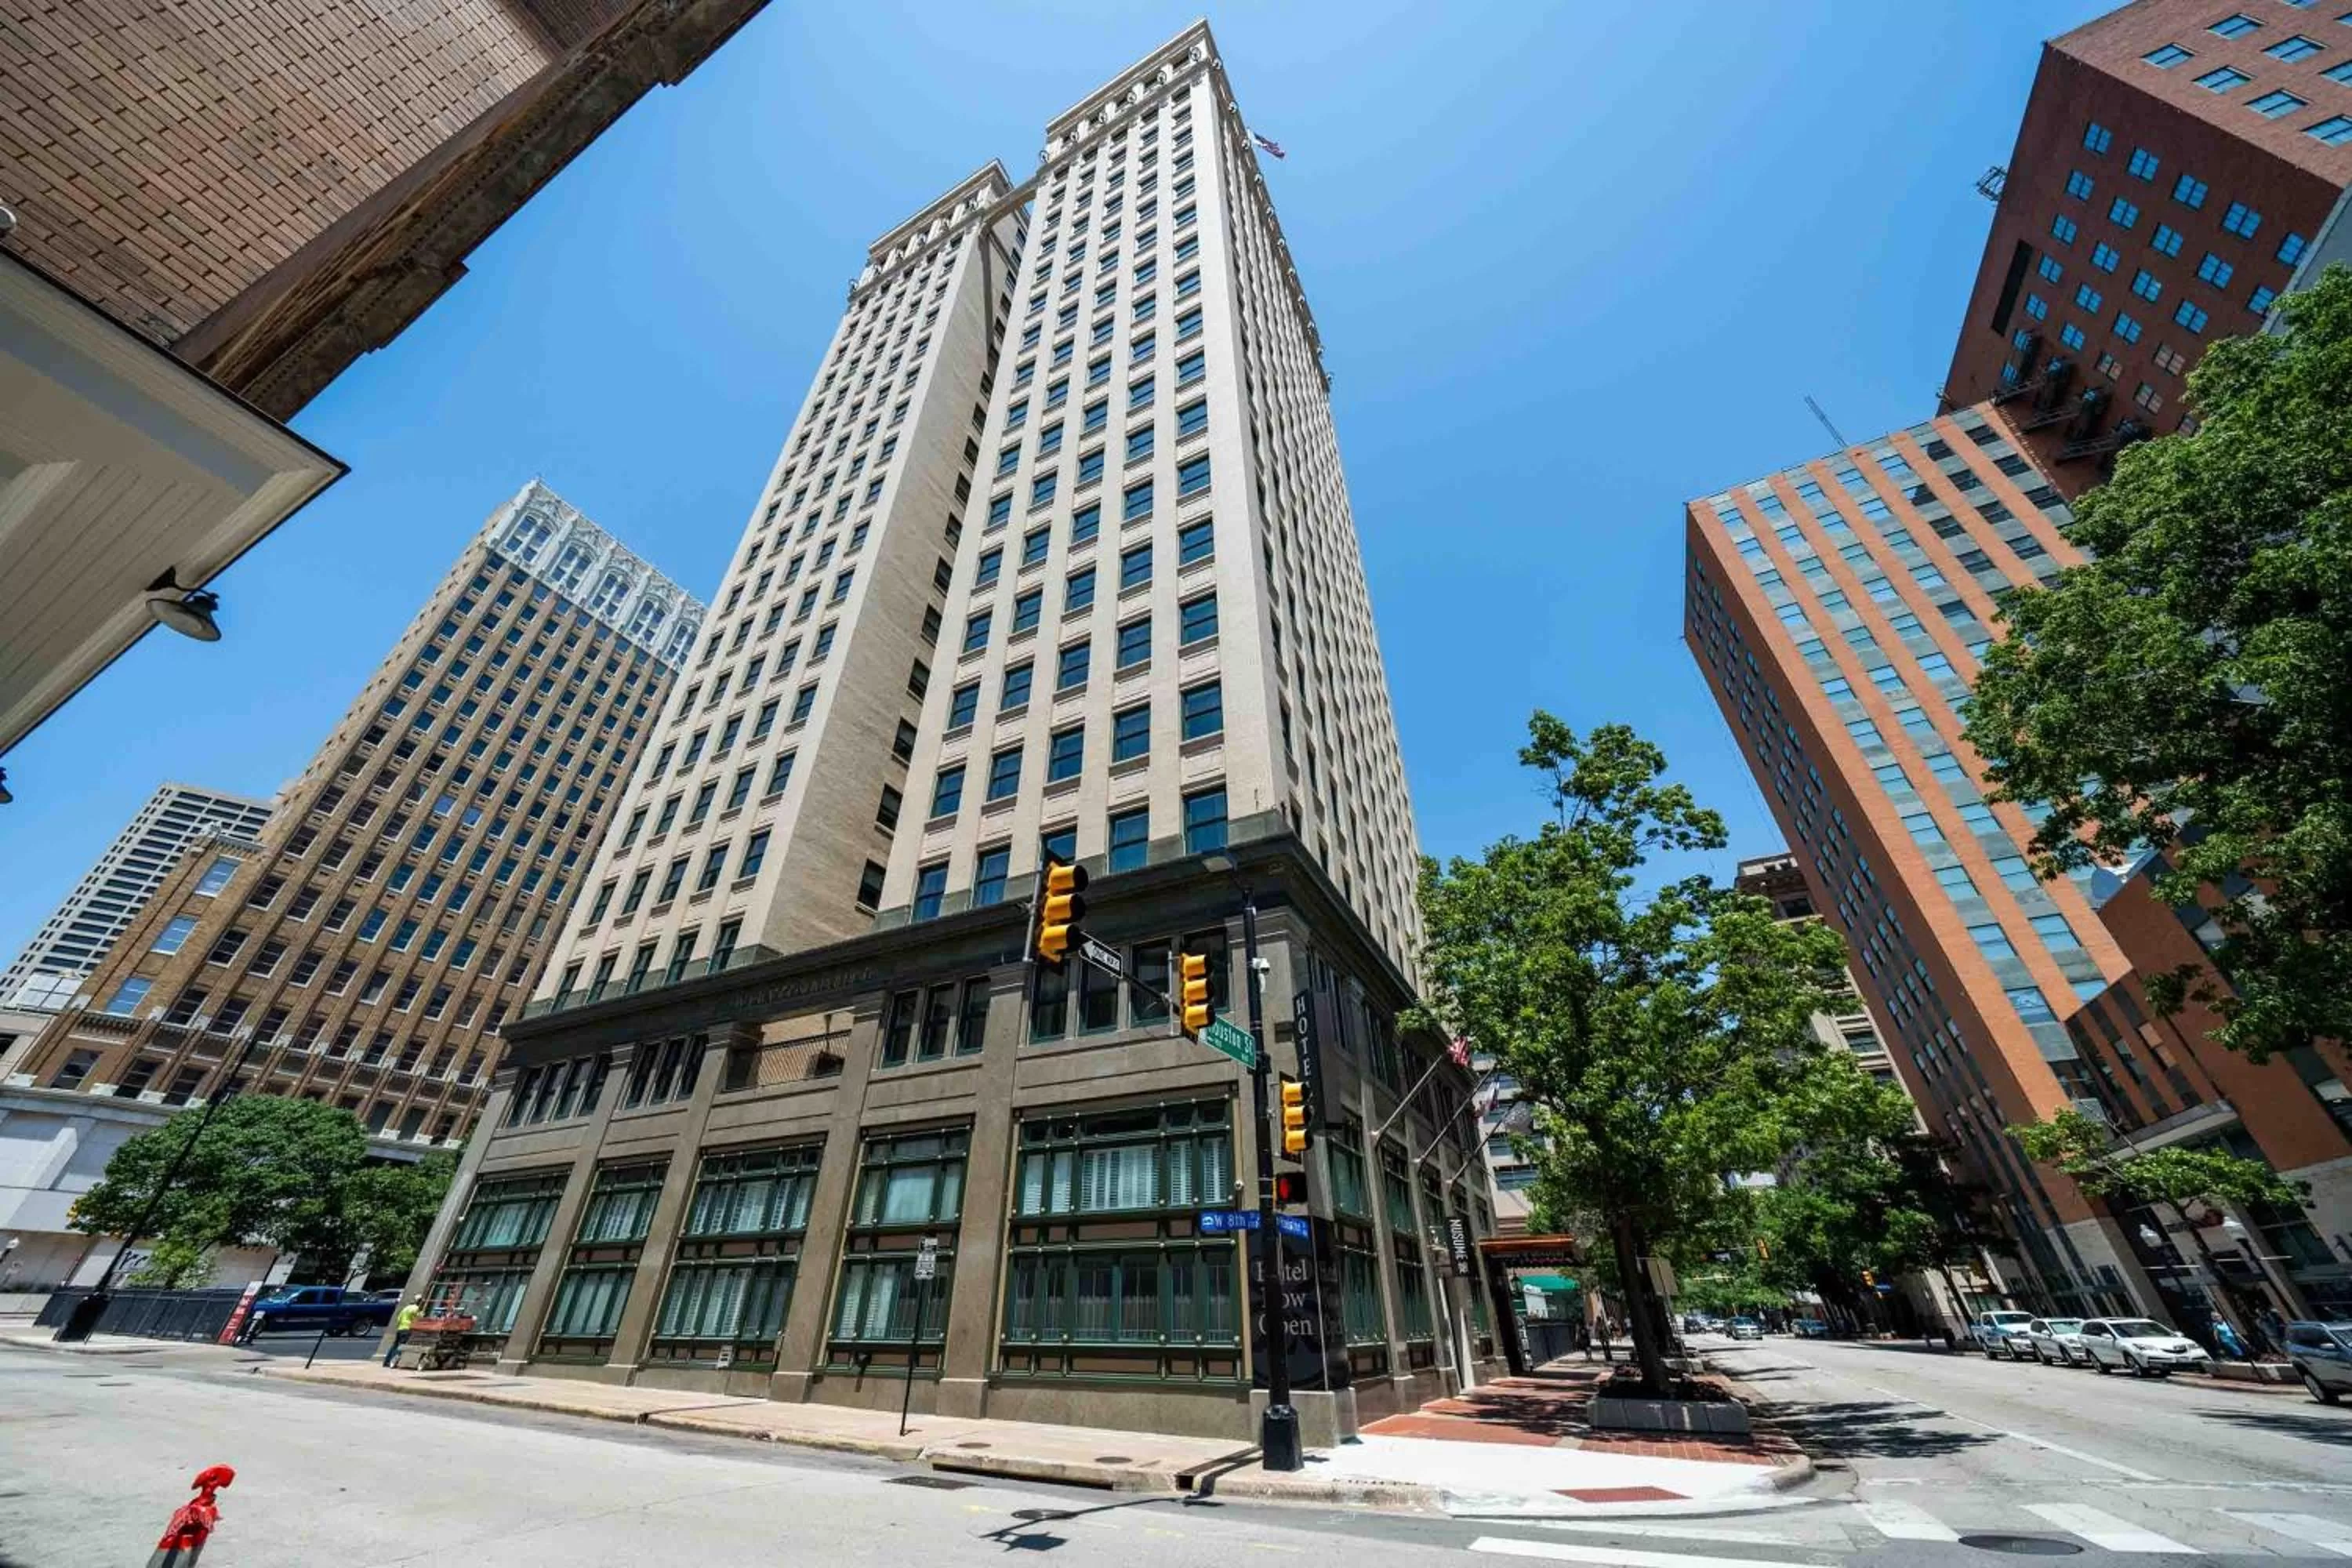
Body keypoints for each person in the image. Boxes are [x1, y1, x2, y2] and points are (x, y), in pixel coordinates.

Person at [383, 1300, 423, 1369]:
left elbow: (399, 1319)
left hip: (400, 1329)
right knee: (401, 1346)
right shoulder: (416, 1308)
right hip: (407, 1329)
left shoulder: (405, 1308)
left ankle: (387, 1362)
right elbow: (419, 1318)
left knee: (395, 1345)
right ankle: (393, 1362)